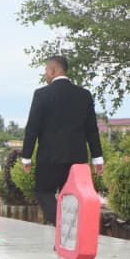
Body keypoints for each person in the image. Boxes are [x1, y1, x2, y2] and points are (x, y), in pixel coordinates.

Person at [19, 55, 103, 223]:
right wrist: (97, 158)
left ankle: (60, 224)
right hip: (77, 159)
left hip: (49, 158)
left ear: (53, 70)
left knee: (43, 192)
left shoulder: (41, 94)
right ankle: (69, 231)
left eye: (46, 70)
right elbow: (92, 129)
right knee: (72, 197)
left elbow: (32, 127)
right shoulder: (84, 95)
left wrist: (26, 157)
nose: (45, 74)